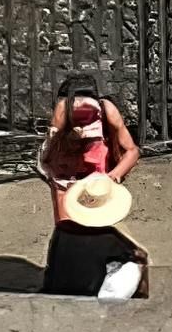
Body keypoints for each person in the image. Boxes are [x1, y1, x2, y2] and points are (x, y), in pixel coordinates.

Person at [38, 73, 141, 222]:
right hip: (66, 179)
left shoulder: (107, 110)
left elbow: (132, 151)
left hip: (99, 184)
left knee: (102, 230)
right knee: (68, 229)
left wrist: (112, 177)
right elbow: (52, 161)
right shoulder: (62, 112)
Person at [40, 172, 151, 299]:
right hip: (90, 300)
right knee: (137, 261)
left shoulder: (62, 229)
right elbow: (137, 261)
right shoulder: (113, 240)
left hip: (57, 293)